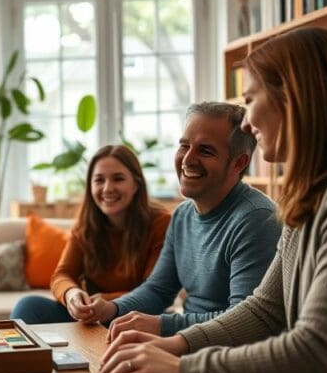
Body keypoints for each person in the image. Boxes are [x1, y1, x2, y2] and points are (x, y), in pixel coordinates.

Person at [98, 28, 327, 373]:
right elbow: (265, 311)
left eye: (252, 98)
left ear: (294, 99)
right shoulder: (312, 197)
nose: (246, 123)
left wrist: (181, 367)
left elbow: (316, 351)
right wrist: (176, 345)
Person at [99, 102, 281, 338]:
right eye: (184, 145)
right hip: (186, 344)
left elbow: (244, 322)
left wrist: (162, 326)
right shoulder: (183, 215)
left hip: (227, 357)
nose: (187, 160)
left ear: (239, 163)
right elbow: (158, 290)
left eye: (205, 151)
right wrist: (111, 309)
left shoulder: (257, 219)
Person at [11, 145, 171, 325]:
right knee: (28, 306)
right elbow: (62, 275)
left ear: (136, 185)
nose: (107, 188)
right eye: (99, 180)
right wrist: (71, 294)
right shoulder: (85, 227)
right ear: (90, 186)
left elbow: (154, 292)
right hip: (92, 312)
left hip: (136, 314)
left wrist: (106, 301)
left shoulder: (161, 224)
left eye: (118, 179)